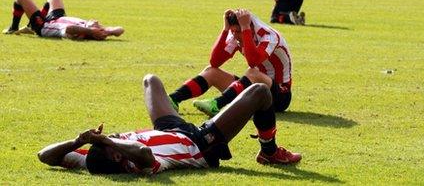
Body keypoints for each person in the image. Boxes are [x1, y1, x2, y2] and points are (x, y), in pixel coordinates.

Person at [37, 74, 302, 174]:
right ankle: (269, 152)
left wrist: (78, 141)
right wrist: (105, 139)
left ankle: (182, 97)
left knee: (151, 80)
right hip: (198, 142)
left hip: (168, 129)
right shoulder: (137, 165)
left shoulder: (91, 160)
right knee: (260, 92)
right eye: (111, 144)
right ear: (117, 155)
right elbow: (144, 153)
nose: (113, 135)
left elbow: (44, 156)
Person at [169, 9, 293, 117]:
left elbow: (253, 61)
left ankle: (217, 104)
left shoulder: (268, 35)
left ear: (248, 27)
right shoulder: (238, 34)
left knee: (253, 72)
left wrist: (245, 29)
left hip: (280, 96)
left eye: (237, 31)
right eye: (232, 31)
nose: (234, 35)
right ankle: (173, 99)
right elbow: (215, 61)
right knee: (211, 71)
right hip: (256, 90)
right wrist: (225, 30)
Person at [2, 0, 124, 40]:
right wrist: (108, 31)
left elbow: (69, 29)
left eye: (96, 23)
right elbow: (120, 29)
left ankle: (14, 28)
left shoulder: (80, 31)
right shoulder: (95, 29)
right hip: (58, 18)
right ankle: (33, 21)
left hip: (44, 25)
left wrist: (91, 31)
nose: (96, 21)